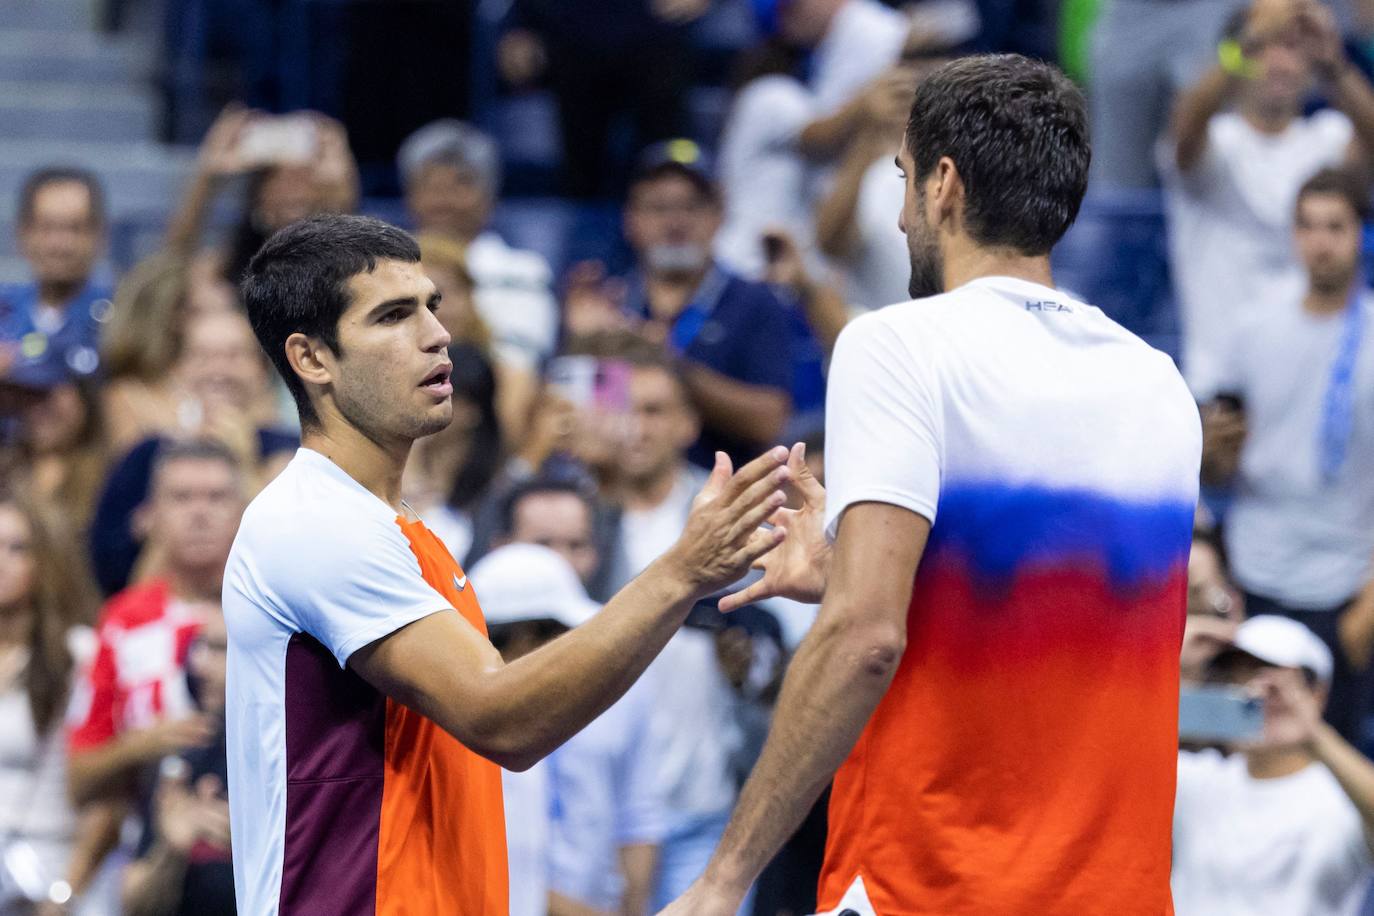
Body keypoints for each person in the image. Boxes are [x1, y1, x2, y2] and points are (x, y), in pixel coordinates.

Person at [663, 54, 1202, 915]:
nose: (903, 211)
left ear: (944, 185)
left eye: (904, 178)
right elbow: (1049, 613)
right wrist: (845, 573)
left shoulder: (897, 344)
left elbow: (864, 641)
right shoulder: (1161, 385)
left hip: (929, 884)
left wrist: (724, 878)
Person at [224, 213, 791, 915]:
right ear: (312, 360)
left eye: (432, 306)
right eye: (394, 316)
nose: (436, 334)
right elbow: (503, 718)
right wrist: (682, 573)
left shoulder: (389, 529)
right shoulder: (316, 521)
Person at [1199, 167, 1374, 743]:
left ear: (1360, 235)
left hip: (1343, 589)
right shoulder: (1254, 327)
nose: (1319, 242)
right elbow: (1216, 468)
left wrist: (1365, 613)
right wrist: (1212, 451)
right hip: (1255, 577)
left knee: (1332, 774)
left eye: (1334, 227)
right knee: (1241, 756)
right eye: (1306, 226)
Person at [1163, 0, 1374, 395]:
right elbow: (1185, 131)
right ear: (1239, 56)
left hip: (1311, 386)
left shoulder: (1329, 137)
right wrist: (1243, 43)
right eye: (1263, 47)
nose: (1277, 62)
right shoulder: (1218, 143)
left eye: (1292, 47)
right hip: (1222, 389)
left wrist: (1336, 66)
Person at [567, 142, 795, 468]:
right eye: (659, 208)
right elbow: (574, 423)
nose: (676, 221)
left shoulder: (755, 301)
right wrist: (585, 346)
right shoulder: (608, 302)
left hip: (723, 493)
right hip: (618, 492)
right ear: (630, 220)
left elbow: (768, 421)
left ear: (718, 217)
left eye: (692, 207)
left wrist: (670, 363)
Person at [470, 543, 668, 916]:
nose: (582, 651)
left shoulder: (618, 693)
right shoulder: (458, 726)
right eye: (565, 633)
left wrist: (634, 906)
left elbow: (638, 813)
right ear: (525, 639)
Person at [1173, 615, 1374, 915]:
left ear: (1317, 694)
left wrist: (1314, 736)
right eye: (1235, 679)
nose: (1251, 694)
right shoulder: (1195, 777)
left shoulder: (1340, 796)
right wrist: (1166, 657)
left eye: (1272, 683)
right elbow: (1094, 753)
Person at [88, 309, 296, 596]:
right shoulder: (144, 456)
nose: (219, 369)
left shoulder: (293, 451)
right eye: (202, 356)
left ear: (262, 370)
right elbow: (108, 567)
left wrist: (245, 466)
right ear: (178, 369)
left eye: (235, 355)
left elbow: (297, 554)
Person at [399, 121, 557, 433]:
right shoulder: (384, 268)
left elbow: (518, 372)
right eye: (430, 184)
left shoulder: (523, 271)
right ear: (410, 196)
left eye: (461, 184)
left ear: (490, 197)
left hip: (492, 417)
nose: (444, 198)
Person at [0, 493, 100, 913]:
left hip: (50, 876)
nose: (1, 561)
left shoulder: (79, 653)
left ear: (46, 560)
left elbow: (106, 795)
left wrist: (64, 892)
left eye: (17, 548)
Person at [119, 614, 234, 916]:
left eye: (220, 649)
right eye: (200, 647)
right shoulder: (184, 753)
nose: (198, 664)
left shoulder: (297, 760)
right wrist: (172, 850)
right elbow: (135, 902)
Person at [0, 168, 110, 386]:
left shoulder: (120, 321)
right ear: (21, 234)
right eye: (47, 227)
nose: (60, 244)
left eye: (75, 228)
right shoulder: (3, 311)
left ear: (101, 235)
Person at [400, 342, 506, 566]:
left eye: (441, 393)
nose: (424, 401)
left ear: (473, 411)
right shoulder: (399, 466)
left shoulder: (495, 491)